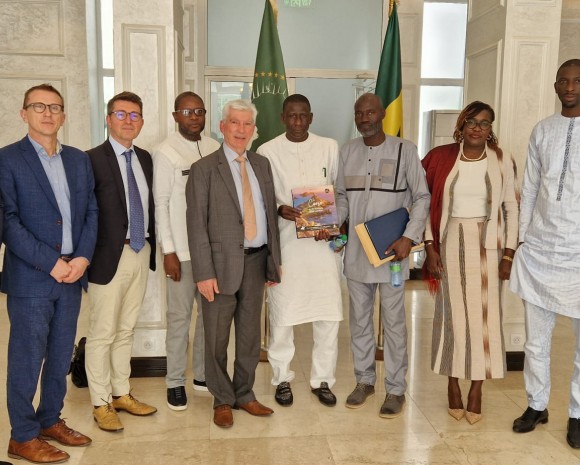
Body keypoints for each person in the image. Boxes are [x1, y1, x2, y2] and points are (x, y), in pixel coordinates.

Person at [0, 84, 98, 463]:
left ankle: (49, 420)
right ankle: (22, 437)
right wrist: (52, 262)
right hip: (32, 278)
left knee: (59, 356)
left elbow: (91, 212)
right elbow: (8, 222)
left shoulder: (78, 159)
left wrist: (82, 259)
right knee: (27, 359)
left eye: (55, 107)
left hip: (72, 274)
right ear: (24, 113)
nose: (47, 113)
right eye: (38, 106)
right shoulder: (8, 159)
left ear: (63, 116)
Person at [185, 99, 281, 428]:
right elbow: (196, 224)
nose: (241, 130)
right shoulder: (204, 169)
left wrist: (274, 262)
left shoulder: (262, 165)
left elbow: (269, 215)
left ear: (254, 129)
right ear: (222, 126)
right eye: (235, 123)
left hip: (256, 262)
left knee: (250, 336)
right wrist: (203, 273)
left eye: (247, 124)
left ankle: (244, 393)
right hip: (218, 267)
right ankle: (222, 399)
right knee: (216, 338)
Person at [421, 101, 519, 425]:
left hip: (487, 246)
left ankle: (477, 388)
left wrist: (509, 254)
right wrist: (430, 247)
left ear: (491, 129)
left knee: (484, 319)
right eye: (472, 122)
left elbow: (511, 208)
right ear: (461, 125)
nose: (478, 128)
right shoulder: (442, 157)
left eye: (485, 123)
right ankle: (452, 383)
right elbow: (426, 204)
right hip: (449, 241)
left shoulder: (501, 159)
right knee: (452, 317)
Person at [336, 93, 429, 418]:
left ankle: (396, 389)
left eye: (370, 112)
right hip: (357, 255)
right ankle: (364, 381)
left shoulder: (405, 150)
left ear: (382, 114)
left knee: (394, 323)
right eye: (359, 113)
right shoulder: (346, 152)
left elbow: (422, 196)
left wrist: (409, 237)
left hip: (392, 255)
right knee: (359, 321)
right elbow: (340, 196)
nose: (364, 118)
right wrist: (335, 223)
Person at [257, 94, 348, 407]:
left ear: (311, 117)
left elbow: (340, 191)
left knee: (328, 315)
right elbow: (260, 197)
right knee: (283, 315)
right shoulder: (267, 150)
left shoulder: (329, 147)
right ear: (282, 118)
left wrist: (334, 222)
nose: (297, 122)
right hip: (287, 245)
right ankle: (281, 378)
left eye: (303, 115)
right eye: (291, 116)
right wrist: (279, 208)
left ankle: (323, 380)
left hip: (324, 247)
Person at [510, 59, 580, 448]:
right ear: (555, 86)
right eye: (563, 81)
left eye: (577, 81)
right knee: (536, 341)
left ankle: (578, 413)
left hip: (579, 255)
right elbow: (531, 187)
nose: (570, 87)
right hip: (540, 251)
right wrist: (522, 239)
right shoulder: (542, 130)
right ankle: (536, 404)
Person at [85, 91, 157, 432]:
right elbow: (84, 213)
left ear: (141, 122)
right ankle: (100, 402)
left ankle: (121, 393)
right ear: (108, 119)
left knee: (126, 329)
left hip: (140, 251)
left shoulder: (145, 158)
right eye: (121, 114)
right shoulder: (90, 159)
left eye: (134, 115)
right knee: (102, 332)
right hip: (106, 257)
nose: (128, 120)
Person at [152, 92, 220, 410]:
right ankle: (175, 382)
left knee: (209, 317)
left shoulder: (215, 147)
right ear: (175, 116)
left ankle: (202, 375)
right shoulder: (165, 151)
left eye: (199, 111)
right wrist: (168, 251)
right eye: (187, 111)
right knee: (179, 318)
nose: (194, 117)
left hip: (211, 251)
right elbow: (161, 203)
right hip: (181, 252)